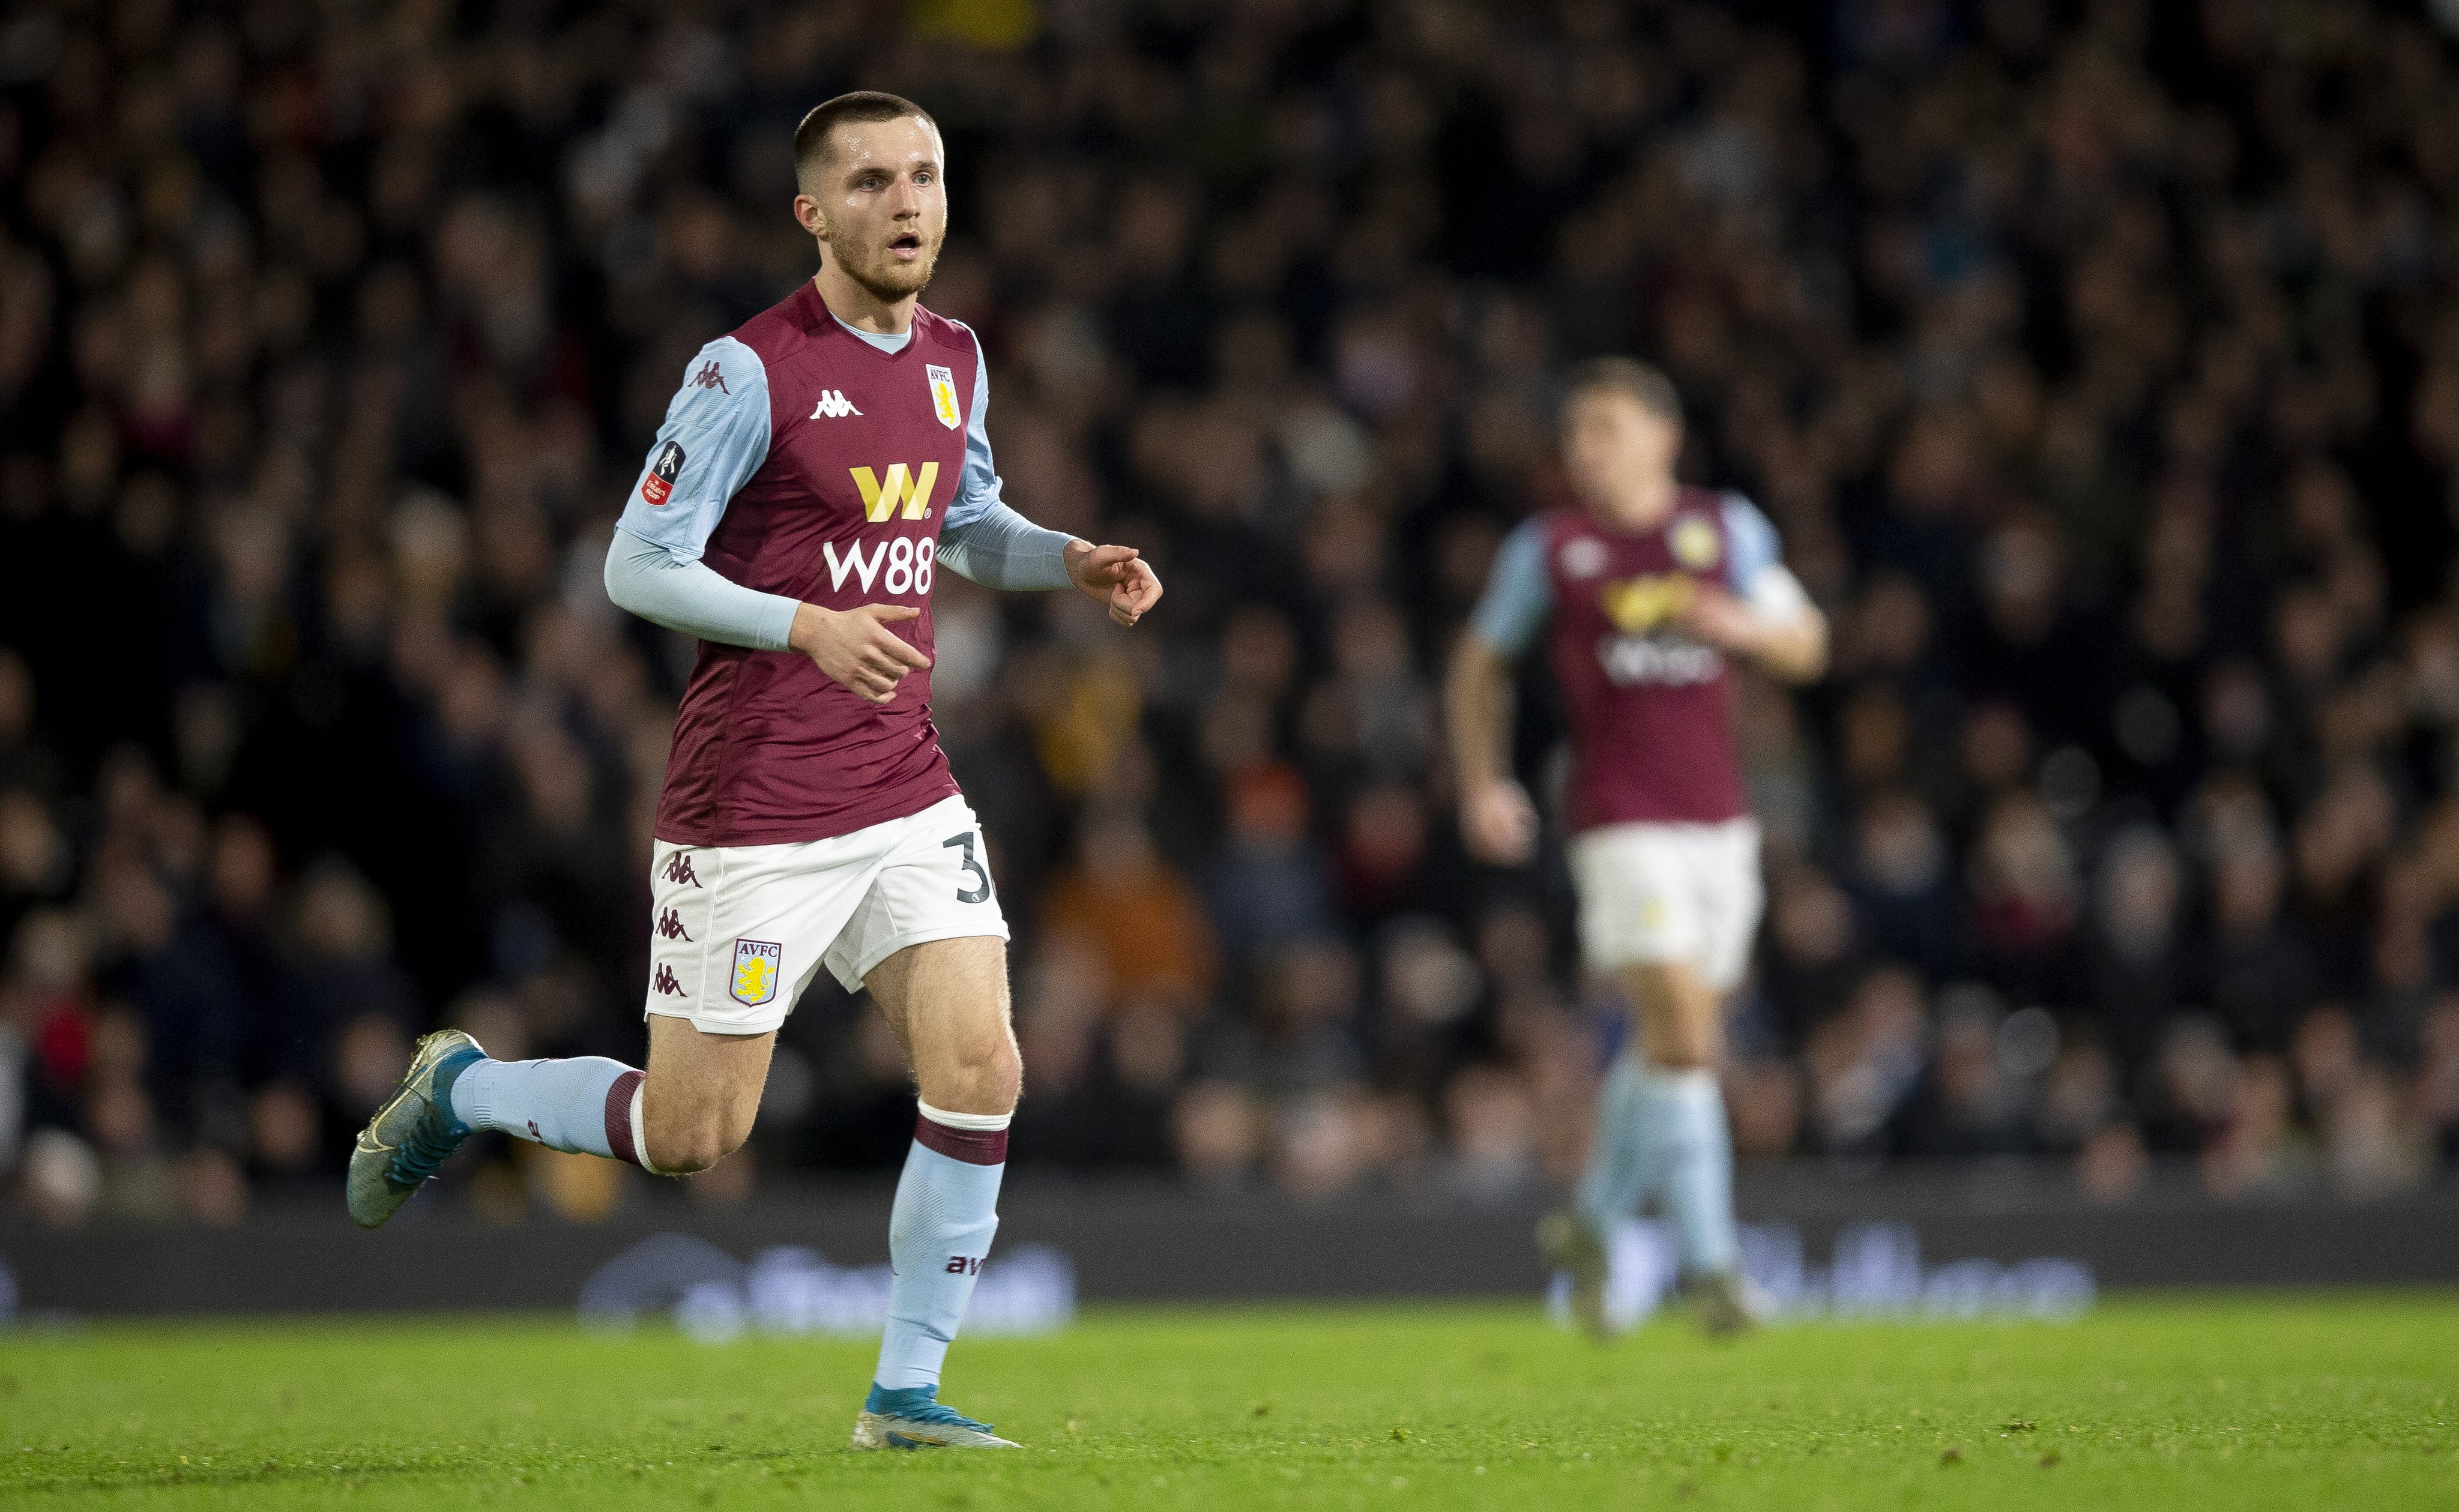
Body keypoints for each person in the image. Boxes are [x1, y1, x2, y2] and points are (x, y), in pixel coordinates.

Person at [348, 92, 1162, 1449]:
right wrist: (802, 624)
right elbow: (636, 563)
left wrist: (1062, 558)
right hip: (755, 808)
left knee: (981, 1063)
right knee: (692, 1136)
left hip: (900, 780)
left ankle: (904, 1396)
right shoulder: (748, 370)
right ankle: (463, 1090)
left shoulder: (955, 354)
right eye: (867, 184)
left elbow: (962, 521)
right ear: (813, 213)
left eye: (923, 177)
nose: (903, 204)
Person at [1446, 358, 1825, 1336]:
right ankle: (1712, 1268)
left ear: (1664, 436)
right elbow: (1480, 661)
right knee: (1688, 1034)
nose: (1586, 450)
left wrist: (1740, 623)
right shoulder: (1553, 548)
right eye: (1577, 434)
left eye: (1607, 429)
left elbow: (1809, 642)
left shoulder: (1724, 530)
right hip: (1617, 821)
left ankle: (1590, 1223)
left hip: (1722, 829)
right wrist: (1485, 781)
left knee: (1669, 1046)